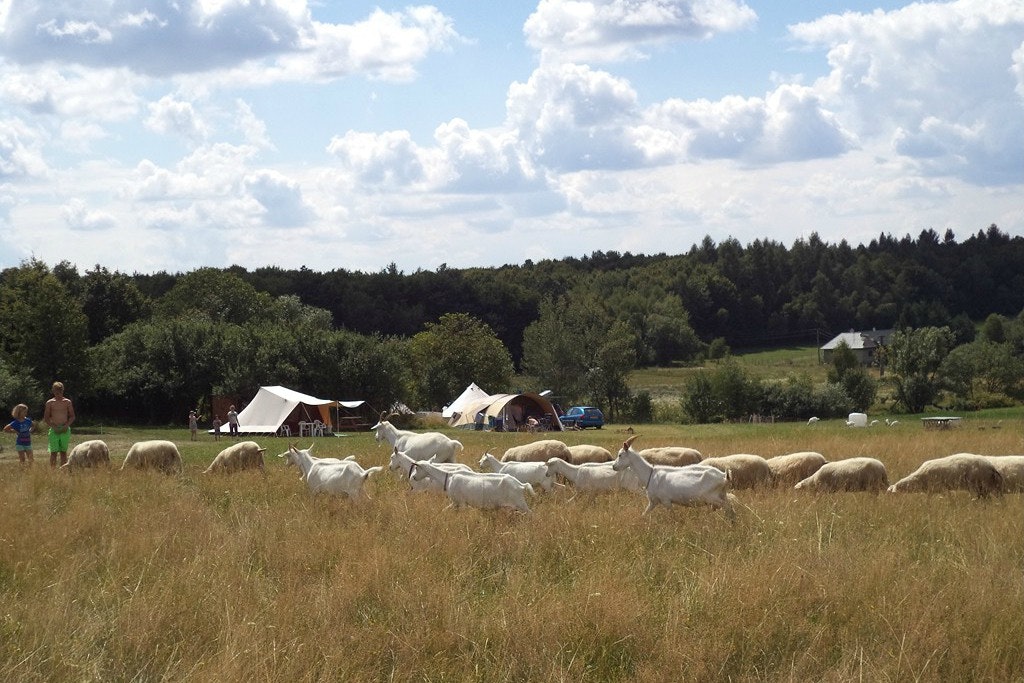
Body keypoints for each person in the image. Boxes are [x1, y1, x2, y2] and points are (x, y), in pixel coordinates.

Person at [42, 381, 75, 467]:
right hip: (54, 429)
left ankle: (63, 470)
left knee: (63, 452)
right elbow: (46, 418)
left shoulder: (67, 402)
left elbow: (72, 416)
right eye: (56, 392)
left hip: (65, 429)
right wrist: (53, 426)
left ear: (63, 391)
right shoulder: (50, 403)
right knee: (53, 452)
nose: (58, 394)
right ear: (53, 391)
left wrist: (66, 425)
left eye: (60, 392)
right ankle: (53, 471)